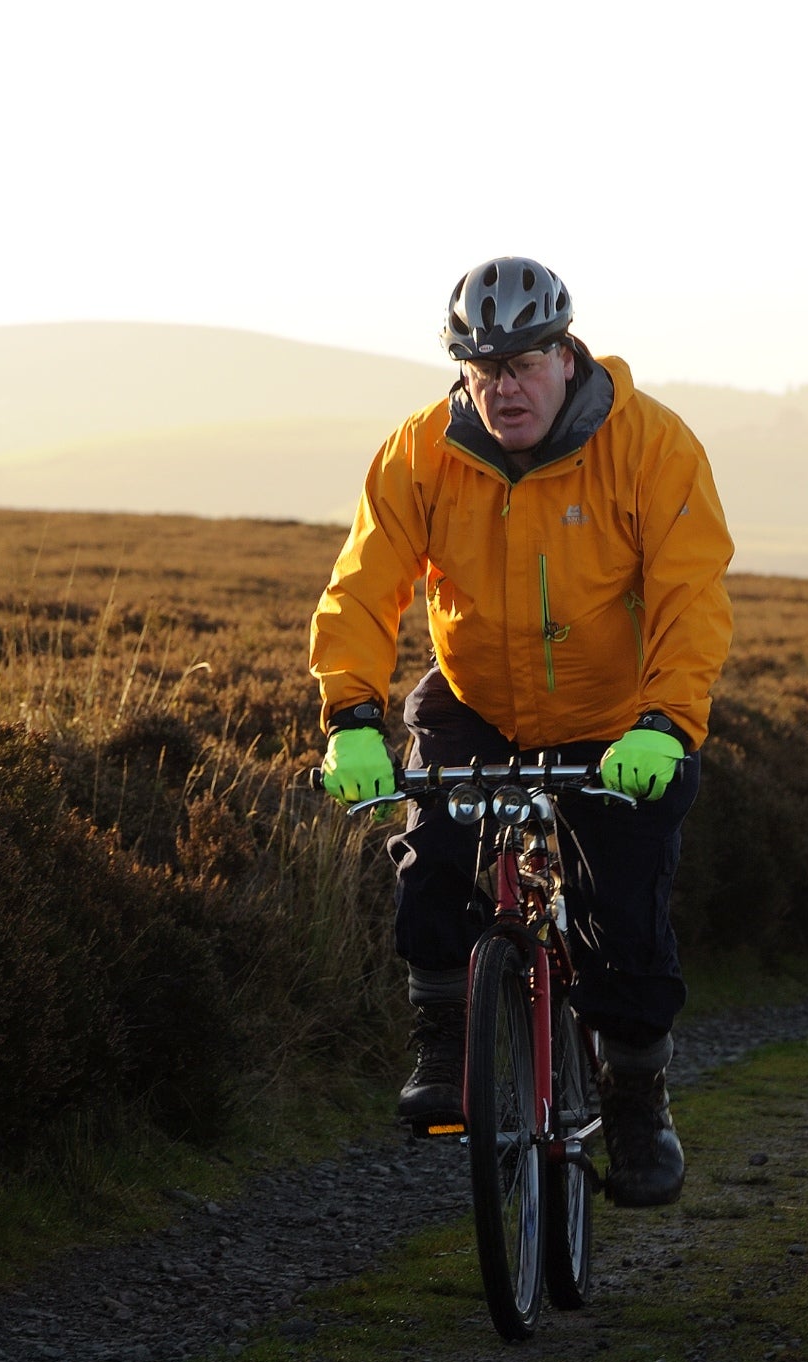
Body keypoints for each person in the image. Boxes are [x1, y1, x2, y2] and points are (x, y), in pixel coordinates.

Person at [307, 255, 735, 1209]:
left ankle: (634, 1099)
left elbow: (690, 597)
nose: (506, 389)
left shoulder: (651, 446)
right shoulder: (421, 451)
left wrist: (666, 724)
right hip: (475, 705)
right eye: (484, 368)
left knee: (625, 918)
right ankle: (447, 1042)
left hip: (619, 723)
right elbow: (365, 587)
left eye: (525, 364)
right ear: (460, 367)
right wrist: (352, 717)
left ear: (565, 356)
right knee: (429, 865)